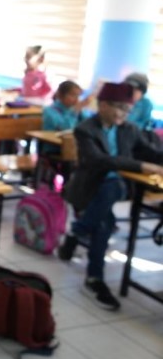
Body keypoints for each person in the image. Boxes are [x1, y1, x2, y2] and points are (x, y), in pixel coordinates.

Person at [57, 83, 163, 310]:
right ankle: (93, 278)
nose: (121, 114)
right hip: (89, 187)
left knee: (112, 192)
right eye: (116, 108)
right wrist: (141, 166)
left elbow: (151, 153)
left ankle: (77, 232)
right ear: (102, 105)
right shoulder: (85, 129)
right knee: (104, 222)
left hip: (115, 187)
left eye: (126, 110)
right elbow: (99, 161)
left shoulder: (129, 129)